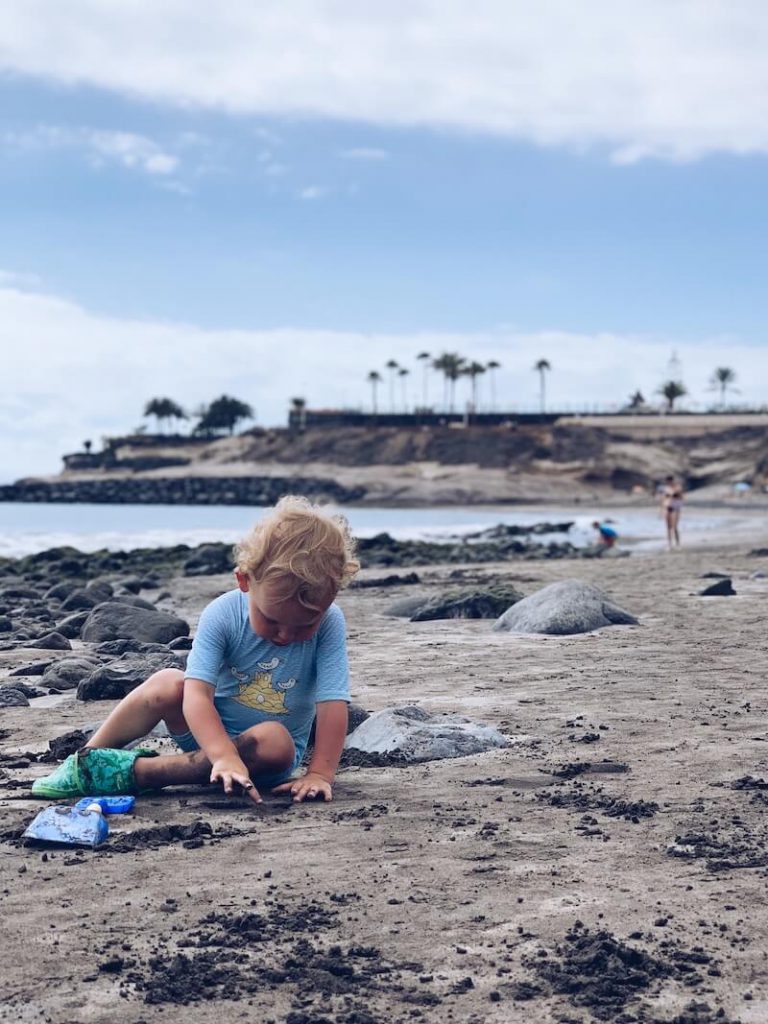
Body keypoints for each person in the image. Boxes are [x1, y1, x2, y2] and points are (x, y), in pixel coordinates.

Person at [32, 495, 360, 805]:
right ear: (245, 581)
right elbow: (197, 696)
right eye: (272, 620)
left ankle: (144, 773)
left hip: (268, 757)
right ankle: (84, 762)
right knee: (167, 682)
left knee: (275, 736)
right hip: (206, 736)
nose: (286, 635)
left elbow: (332, 703)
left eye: (305, 625)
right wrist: (222, 754)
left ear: (332, 597)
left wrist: (320, 774)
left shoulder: (330, 623)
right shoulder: (222, 614)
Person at [660, 475, 684, 549]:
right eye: (667, 481)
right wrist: (661, 510)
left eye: (669, 481)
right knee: (668, 527)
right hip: (667, 507)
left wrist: (672, 494)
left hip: (675, 507)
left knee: (674, 526)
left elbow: (679, 496)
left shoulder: (677, 487)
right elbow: (663, 498)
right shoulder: (666, 488)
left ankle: (677, 543)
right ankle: (669, 544)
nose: (668, 483)